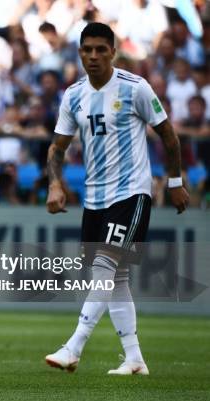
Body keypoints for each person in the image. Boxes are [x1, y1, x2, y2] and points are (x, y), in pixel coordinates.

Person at [44, 23, 189, 375]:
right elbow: (57, 147)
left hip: (132, 192)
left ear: (113, 52)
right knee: (116, 276)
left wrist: (174, 182)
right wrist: (55, 184)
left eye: (100, 50)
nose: (93, 56)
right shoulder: (74, 95)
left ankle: (73, 346)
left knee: (105, 268)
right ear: (79, 53)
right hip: (95, 197)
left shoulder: (135, 88)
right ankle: (134, 358)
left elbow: (168, 136)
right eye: (87, 50)